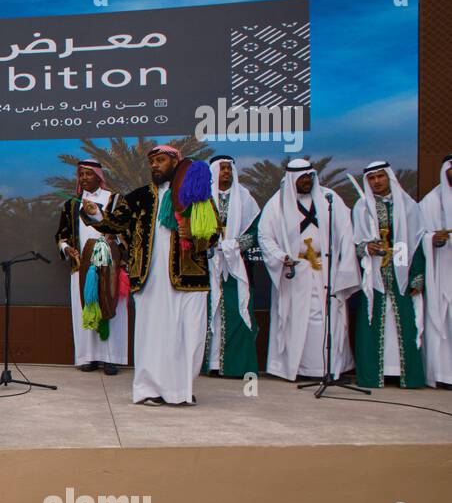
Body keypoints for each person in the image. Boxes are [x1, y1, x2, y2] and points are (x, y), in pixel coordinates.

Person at [83, 145, 215, 405]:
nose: (155, 165)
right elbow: (114, 223)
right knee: (152, 336)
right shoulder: (139, 197)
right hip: (149, 278)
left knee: (190, 335)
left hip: (189, 278)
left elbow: (214, 234)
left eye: (161, 160)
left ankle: (181, 390)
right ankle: (149, 389)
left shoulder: (198, 196)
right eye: (152, 161)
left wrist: (196, 235)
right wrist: (95, 214)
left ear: (176, 162)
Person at [258, 159, 359, 382]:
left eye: (309, 177)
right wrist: (281, 257)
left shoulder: (329, 199)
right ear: (292, 179)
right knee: (297, 318)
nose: (306, 181)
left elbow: (346, 232)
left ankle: (328, 367)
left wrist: (345, 268)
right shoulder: (277, 204)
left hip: (325, 269)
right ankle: (298, 368)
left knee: (327, 317)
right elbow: (265, 237)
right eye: (302, 177)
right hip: (297, 270)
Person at [352, 160, 426, 388]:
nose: (376, 181)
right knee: (373, 321)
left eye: (380, 177)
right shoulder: (362, 207)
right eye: (372, 178)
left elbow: (417, 243)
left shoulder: (409, 206)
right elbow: (353, 243)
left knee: (405, 320)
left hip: (401, 271)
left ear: (389, 177)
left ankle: (406, 375)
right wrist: (366, 247)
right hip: (374, 273)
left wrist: (417, 275)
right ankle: (374, 375)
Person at [55, 158, 126, 375]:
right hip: (82, 265)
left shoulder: (114, 200)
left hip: (109, 265)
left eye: (88, 174)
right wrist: (67, 249)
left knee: (109, 306)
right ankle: (89, 357)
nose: (84, 178)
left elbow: (125, 229)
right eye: (81, 174)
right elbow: (61, 235)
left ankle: (111, 358)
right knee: (85, 308)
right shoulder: (71, 204)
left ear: (99, 176)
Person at [204, 155, 261, 379]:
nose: (226, 172)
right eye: (222, 168)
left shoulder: (245, 197)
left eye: (229, 169)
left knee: (237, 310)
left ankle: (235, 365)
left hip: (235, 263)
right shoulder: (202, 197)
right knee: (210, 312)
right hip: (208, 263)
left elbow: (256, 231)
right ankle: (210, 363)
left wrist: (236, 245)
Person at [420, 155, 452, 388]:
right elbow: (418, 237)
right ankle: (444, 374)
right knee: (443, 319)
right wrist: (434, 239)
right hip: (442, 270)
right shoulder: (431, 201)